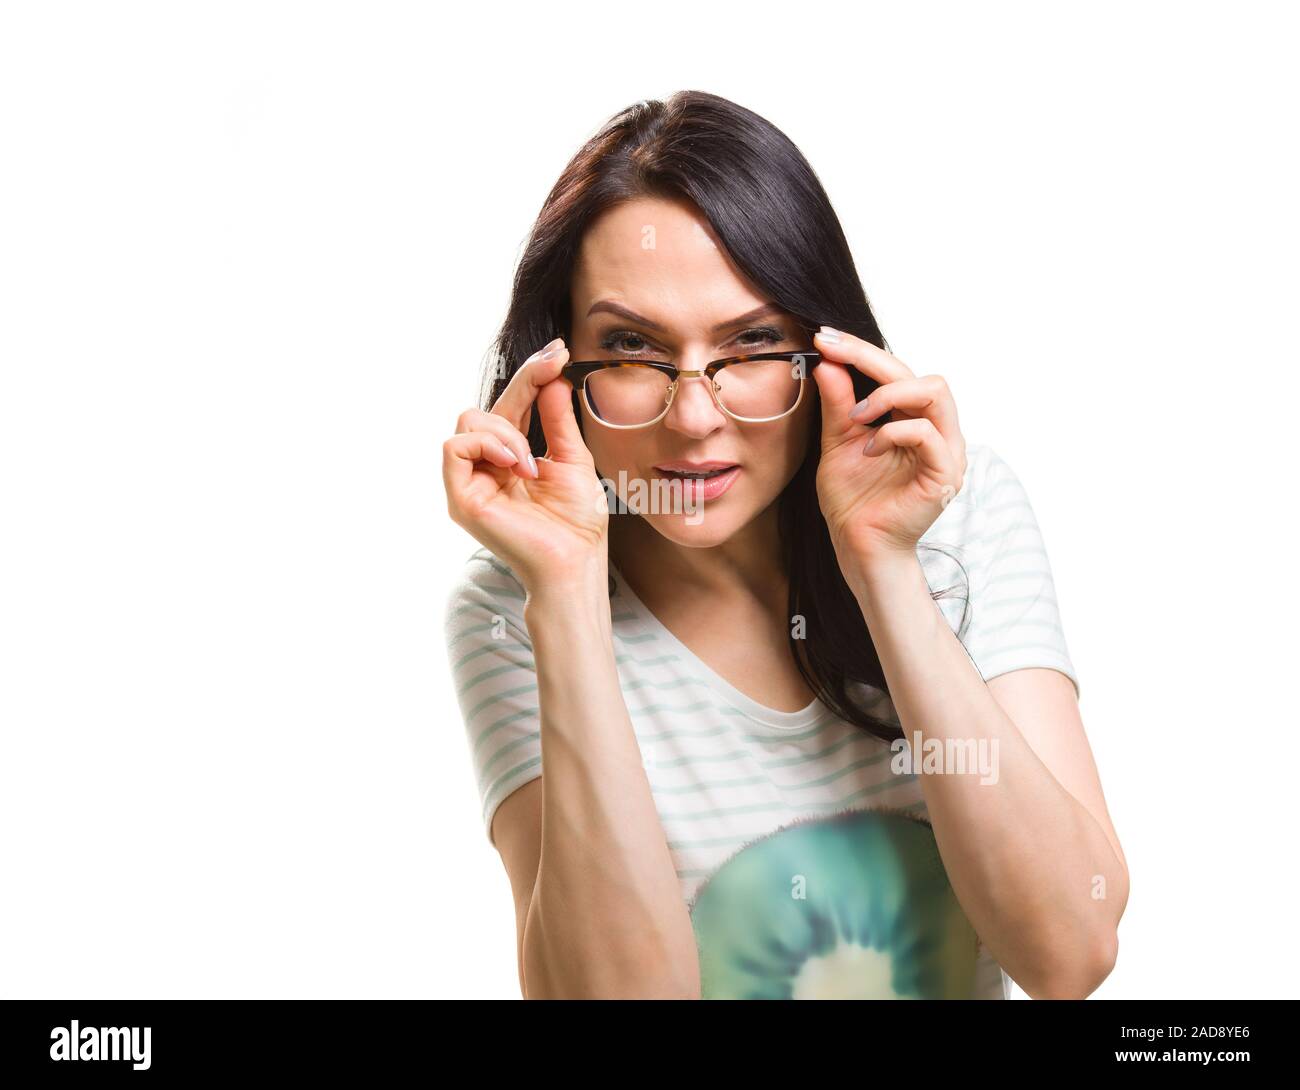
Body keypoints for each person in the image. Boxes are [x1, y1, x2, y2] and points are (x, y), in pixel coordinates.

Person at [441, 90, 1128, 1000]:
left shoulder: (956, 513)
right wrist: (565, 593)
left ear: (824, 348)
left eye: (754, 342)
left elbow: (1070, 952)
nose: (695, 417)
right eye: (633, 347)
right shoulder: (514, 606)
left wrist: (883, 567)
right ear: (559, 369)